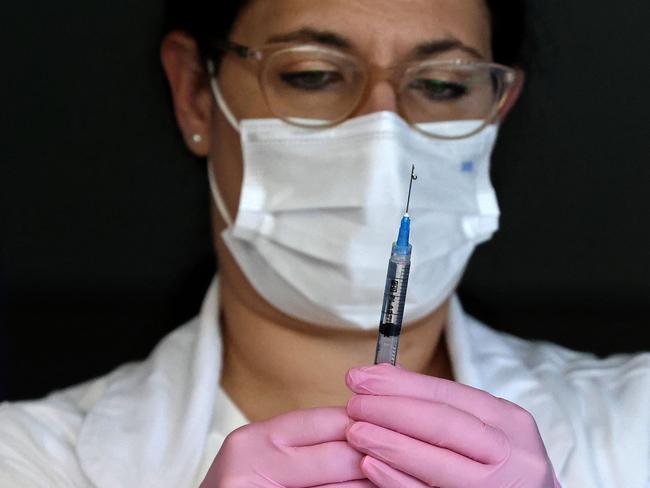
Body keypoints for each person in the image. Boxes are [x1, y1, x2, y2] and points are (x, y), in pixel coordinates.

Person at [1, 1, 649, 487]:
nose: (382, 139)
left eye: (444, 84)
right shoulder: (23, 459)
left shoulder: (635, 429)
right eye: (312, 75)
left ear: (496, 109)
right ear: (195, 93)